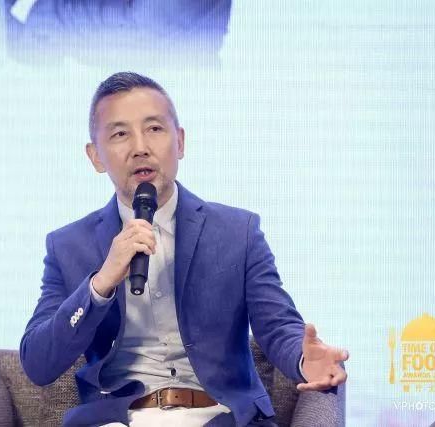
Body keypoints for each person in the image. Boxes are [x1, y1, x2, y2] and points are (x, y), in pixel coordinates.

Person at [20, 72, 349, 426]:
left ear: (179, 142)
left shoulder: (238, 232)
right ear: (95, 156)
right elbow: (38, 363)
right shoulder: (68, 246)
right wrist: (99, 285)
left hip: (219, 415)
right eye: (120, 134)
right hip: (118, 419)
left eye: (154, 129)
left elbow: (277, 325)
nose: (140, 147)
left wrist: (303, 359)